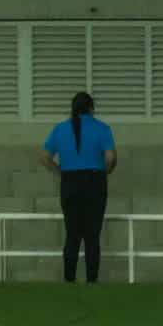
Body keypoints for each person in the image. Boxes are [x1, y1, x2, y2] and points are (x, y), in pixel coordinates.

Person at [41, 92, 117, 284]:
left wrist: (60, 172)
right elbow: (110, 157)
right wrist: (104, 172)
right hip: (94, 182)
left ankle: (69, 280)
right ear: (91, 108)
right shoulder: (102, 128)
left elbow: (44, 156)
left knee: (72, 235)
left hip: (70, 182)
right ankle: (92, 280)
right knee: (92, 236)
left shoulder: (60, 129)